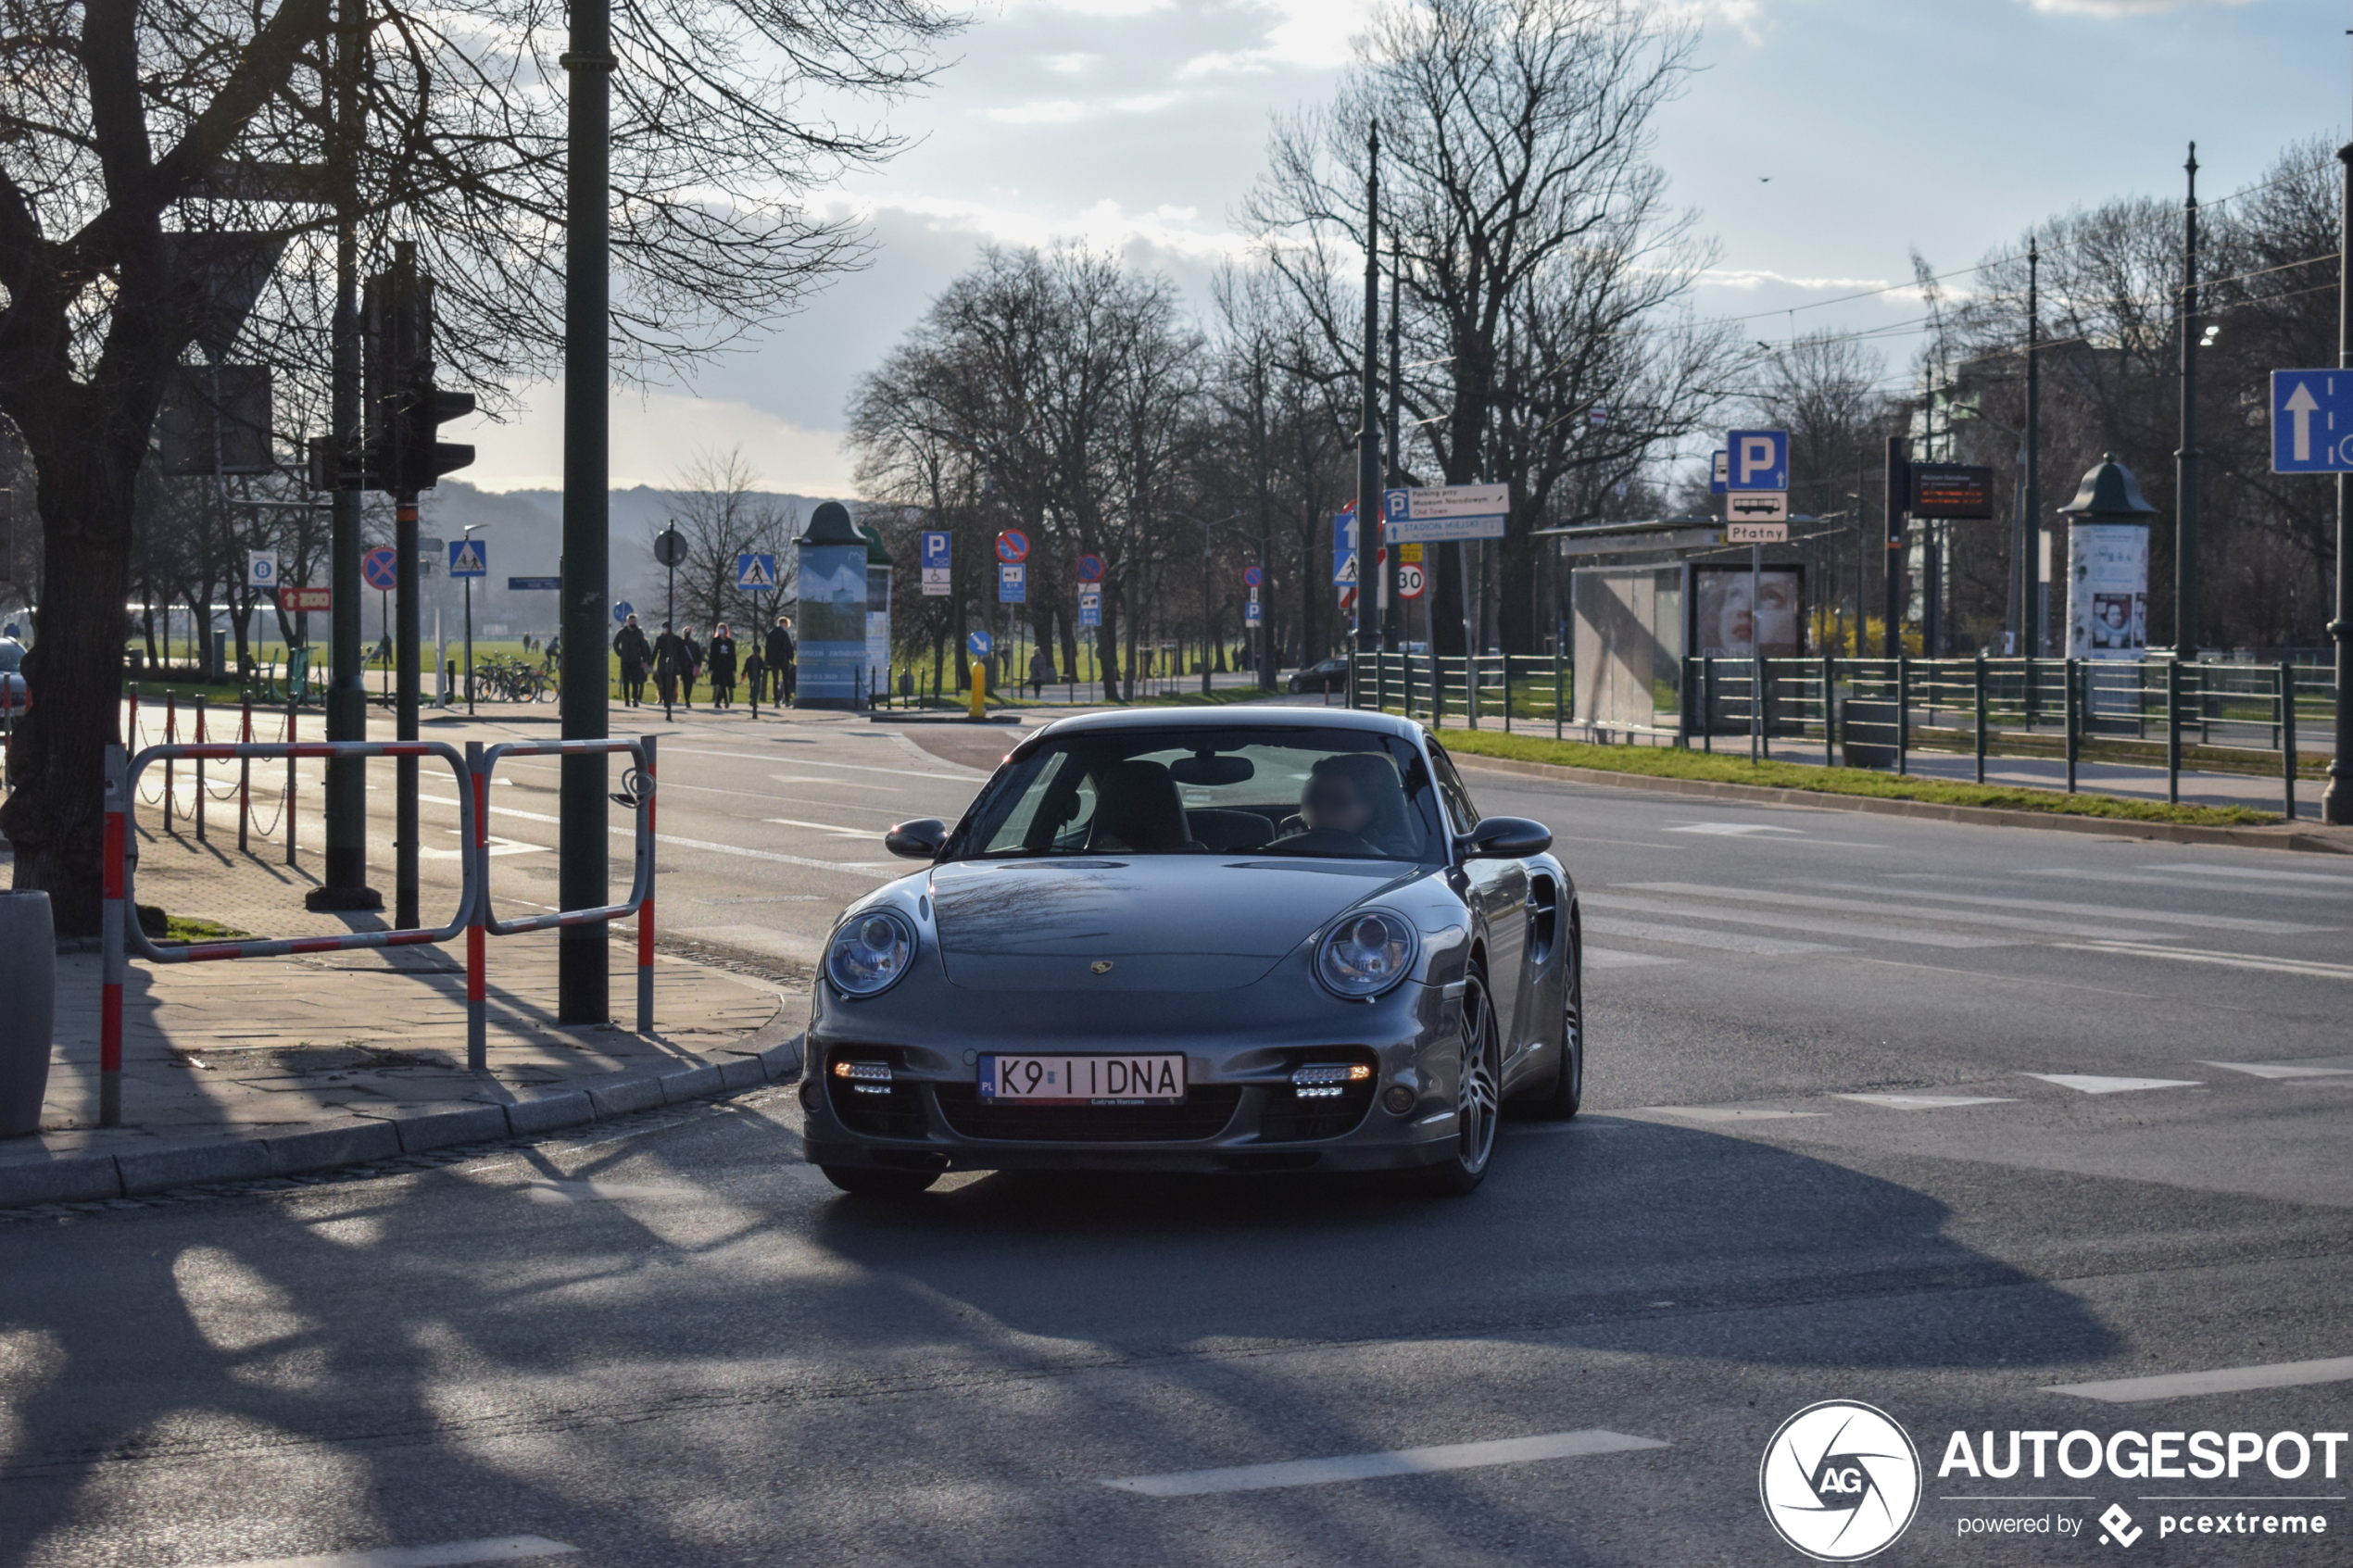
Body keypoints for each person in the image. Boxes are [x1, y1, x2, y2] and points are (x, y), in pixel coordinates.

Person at [612, 614, 650, 707]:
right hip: (625, 660)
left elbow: (643, 646)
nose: (633, 623)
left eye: (634, 621)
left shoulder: (638, 633)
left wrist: (644, 660)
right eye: (631, 621)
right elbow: (615, 643)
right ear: (627, 622)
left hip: (636, 660)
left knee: (635, 681)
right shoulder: (622, 632)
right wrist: (620, 653)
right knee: (625, 680)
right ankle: (626, 699)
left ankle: (635, 699)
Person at [652, 621, 688, 718]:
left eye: (665, 628)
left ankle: (669, 698)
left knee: (672, 683)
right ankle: (665, 700)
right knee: (663, 683)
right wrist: (651, 663)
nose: (664, 629)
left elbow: (683, 646)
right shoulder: (660, 639)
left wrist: (687, 634)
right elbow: (655, 651)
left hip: (673, 664)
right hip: (662, 664)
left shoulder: (675, 639)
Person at [765, 615, 796, 706]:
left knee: (775, 680)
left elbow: (767, 648)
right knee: (785, 679)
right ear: (784, 623)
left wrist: (768, 660)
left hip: (774, 659)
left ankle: (776, 700)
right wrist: (791, 657)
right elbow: (788, 646)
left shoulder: (771, 633)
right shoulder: (785, 633)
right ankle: (786, 700)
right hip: (783, 659)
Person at [709, 622, 738, 709]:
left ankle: (717, 702)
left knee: (724, 684)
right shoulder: (715, 641)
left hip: (727, 667)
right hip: (717, 666)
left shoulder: (730, 642)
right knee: (721, 683)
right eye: (719, 629)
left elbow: (733, 656)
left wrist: (734, 668)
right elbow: (712, 655)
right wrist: (711, 667)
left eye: (722, 628)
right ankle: (726, 700)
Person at [680, 625, 703, 709]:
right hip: (684, 667)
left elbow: (699, 656)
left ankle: (687, 698)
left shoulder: (694, 644)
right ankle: (687, 699)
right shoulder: (681, 644)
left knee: (689, 684)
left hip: (691, 668)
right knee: (686, 684)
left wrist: (698, 665)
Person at [742, 647, 766, 714]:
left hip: (750, 675)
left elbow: (746, 667)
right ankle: (754, 699)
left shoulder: (749, 658)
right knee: (757, 688)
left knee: (752, 686)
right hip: (757, 675)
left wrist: (743, 673)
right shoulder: (759, 658)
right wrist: (768, 668)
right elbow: (763, 666)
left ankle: (751, 698)